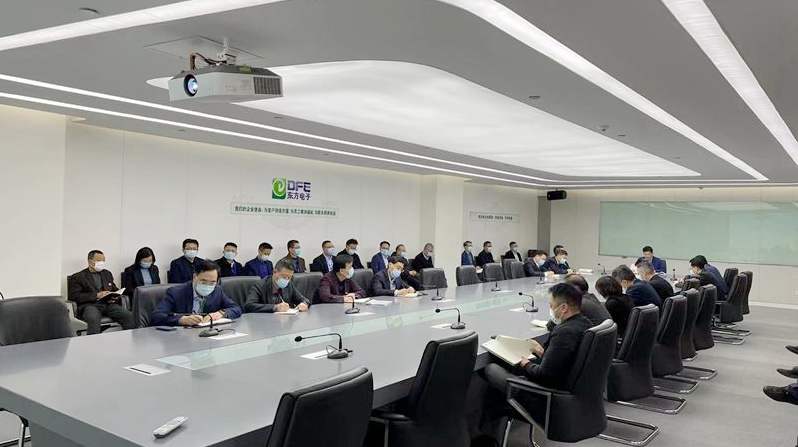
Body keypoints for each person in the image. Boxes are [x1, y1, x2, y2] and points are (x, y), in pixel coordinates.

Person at [478, 283, 594, 443]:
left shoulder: (564, 332)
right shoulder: (585, 323)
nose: (551, 310)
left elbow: (544, 375)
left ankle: (486, 437)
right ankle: (488, 432)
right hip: (569, 388)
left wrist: (525, 363)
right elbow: (564, 360)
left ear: (564, 308)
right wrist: (542, 352)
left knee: (490, 369)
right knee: (499, 382)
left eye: (551, 306)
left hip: (547, 395)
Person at [151, 260, 242, 326]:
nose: (207, 285)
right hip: (182, 338)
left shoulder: (217, 290)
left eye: (212, 282)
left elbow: (236, 308)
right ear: (195, 276)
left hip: (208, 336)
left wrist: (221, 314)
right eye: (203, 281)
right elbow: (157, 316)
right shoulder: (176, 292)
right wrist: (182, 320)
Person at [68, 250, 136, 334]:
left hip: (108, 304)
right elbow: (73, 296)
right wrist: (96, 295)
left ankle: (129, 338)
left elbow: (114, 289)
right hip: (90, 306)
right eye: (99, 260)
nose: (102, 263)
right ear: (90, 262)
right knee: (93, 318)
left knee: (129, 316)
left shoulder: (107, 274)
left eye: (103, 260)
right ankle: (94, 341)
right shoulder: (78, 276)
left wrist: (115, 297)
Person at [244, 258, 311, 313]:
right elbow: (249, 306)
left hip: (285, 321)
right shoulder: (260, 285)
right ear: (275, 272)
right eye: (284, 276)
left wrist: (304, 304)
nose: (286, 279)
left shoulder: (289, 284)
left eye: (289, 277)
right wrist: (274, 307)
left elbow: (304, 300)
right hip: (265, 322)